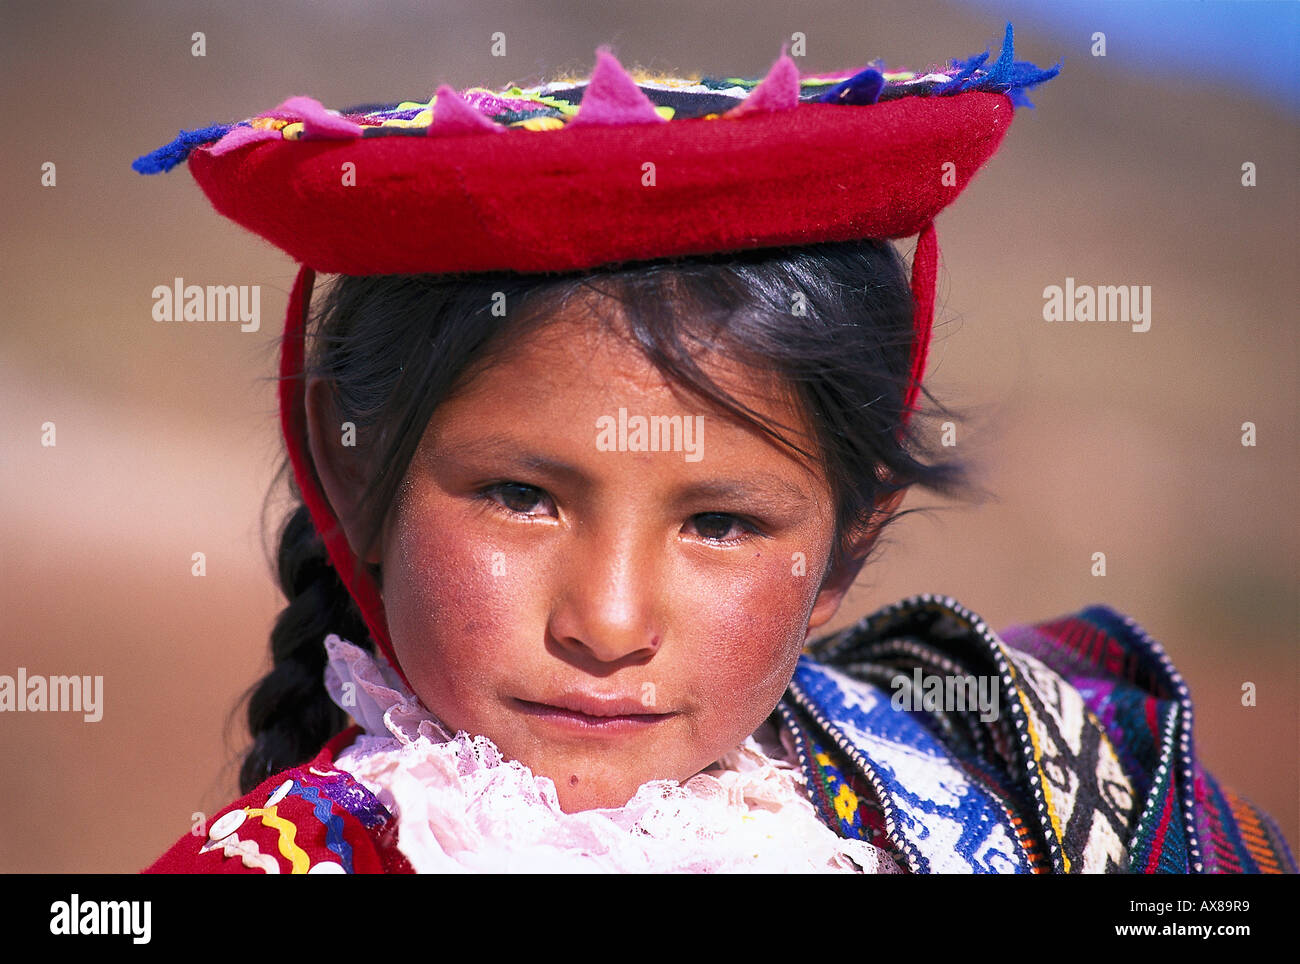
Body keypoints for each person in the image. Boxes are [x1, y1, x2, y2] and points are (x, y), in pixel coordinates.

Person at [134, 25, 1295, 874]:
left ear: (847, 538)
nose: (607, 620)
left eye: (720, 521)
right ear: (351, 473)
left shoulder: (997, 778)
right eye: (522, 495)